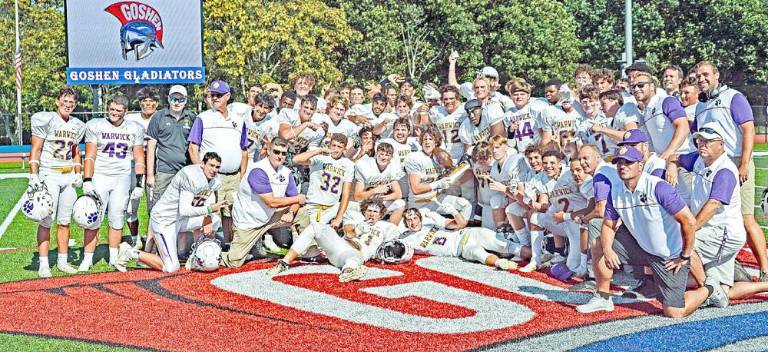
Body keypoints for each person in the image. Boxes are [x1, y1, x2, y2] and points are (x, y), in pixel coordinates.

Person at [576, 146, 709, 318]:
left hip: (669, 256)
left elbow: (689, 221)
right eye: (619, 163)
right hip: (640, 246)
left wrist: (684, 255)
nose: (622, 166)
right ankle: (603, 296)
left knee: (674, 312)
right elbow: (608, 225)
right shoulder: (616, 190)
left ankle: (709, 288)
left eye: (628, 162)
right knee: (599, 242)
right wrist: (608, 250)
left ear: (640, 165)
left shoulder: (658, 187)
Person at [669, 123, 768, 306]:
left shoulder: (725, 171)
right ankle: (764, 285)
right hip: (715, 232)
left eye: (707, 141)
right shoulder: (698, 159)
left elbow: (713, 205)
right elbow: (674, 157)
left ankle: (707, 288)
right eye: (699, 140)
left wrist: (690, 229)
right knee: (725, 291)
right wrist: (672, 167)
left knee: (683, 245)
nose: (701, 145)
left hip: (723, 233)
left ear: (721, 144)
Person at [694, 61, 768, 281]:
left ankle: (765, 270)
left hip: (734, 161)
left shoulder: (733, 97)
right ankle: (731, 268)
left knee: (745, 218)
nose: (701, 79)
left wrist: (744, 163)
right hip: (711, 164)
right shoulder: (700, 105)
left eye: (705, 74)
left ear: (717, 75)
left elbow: (748, 129)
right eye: (697, 76)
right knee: (718, 219)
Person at [113, 152, 228, 273]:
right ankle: (130, 252)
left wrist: (208, 216)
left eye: (217, 167)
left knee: (215, 220)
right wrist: (209, 210)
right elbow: (185, 210)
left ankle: (196, 255)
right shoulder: (190, 175)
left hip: (180, 220)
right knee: (172, 267)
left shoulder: (215, 180)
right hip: (165, 220)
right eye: (211, 165)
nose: (214, 170)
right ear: (202, 163)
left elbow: (208, 201)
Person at [81, 95, 145, 272]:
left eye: (118, 110)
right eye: (112, 109)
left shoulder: (134, 128)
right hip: (100, 176)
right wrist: (87, 179)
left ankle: (114, 257)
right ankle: (87, 259)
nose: (114, 113)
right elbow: (90, 155)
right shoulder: (96, 125)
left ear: (125, 111)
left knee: (117, 217)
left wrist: (139, 183)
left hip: (122, 178)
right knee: (94, 218)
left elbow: (139, 157)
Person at [220, 137, 306, 268]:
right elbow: (271, 202)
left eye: (284, 153)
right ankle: (206, 254)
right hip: (249, 221)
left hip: (270, 217)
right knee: (234, 262)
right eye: (276, 152)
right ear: (269, 151)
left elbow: (293, 199)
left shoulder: (286, 172)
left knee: (304, 212)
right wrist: (298, 199)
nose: (280, 156)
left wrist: (291, 211)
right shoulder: (258, 170)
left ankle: (310, 252)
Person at [28, 87, 86, 277]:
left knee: (64, 221)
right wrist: (34, 175)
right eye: (65, 100)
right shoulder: (46, 120)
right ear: (57, 101)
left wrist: (79, 172)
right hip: (50, 174)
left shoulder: (77, 125)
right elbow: (36, 149)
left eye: (71, 102)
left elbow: (76, 152)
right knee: (46, 219)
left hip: (68, 176)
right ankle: (43, 264)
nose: (68, 105)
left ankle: (62, 261)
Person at [267, 199, 401, 282]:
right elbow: (348, 232)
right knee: (316, 227)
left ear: (381, 214)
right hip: (340, 246)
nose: (372, 214)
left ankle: (348, 271)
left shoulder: (387, 227)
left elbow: (397, 247)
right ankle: (284, 263)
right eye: (369, 210)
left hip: (358, 254)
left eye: (375, 212)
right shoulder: (356, 218)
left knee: (354, 256)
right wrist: (358, 229)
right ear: (364, 211)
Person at [187, 80, 249, 245]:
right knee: (210, 212)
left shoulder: (239, 120)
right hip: (213, 175)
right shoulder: (203, 118)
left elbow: (244, 150)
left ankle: (229, 245)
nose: (215, 98)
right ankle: (207, 247)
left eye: (219, 95)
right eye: (212, 95)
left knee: (232, 212)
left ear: (227, 96)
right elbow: (193, 147)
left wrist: (242, 174)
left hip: (234, 176)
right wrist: (201, 170)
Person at [400, 207, 524, 270]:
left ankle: (536, 257)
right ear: (405, 223)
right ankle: (500, 263)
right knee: (478, 254)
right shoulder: (408, 240)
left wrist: (454, 212)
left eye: (415, 218)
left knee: (504, 245)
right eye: (409, 220)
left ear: (420, 218)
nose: (413, 222)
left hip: (466, 234)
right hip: (461, 249)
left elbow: (460, 224)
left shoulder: (432, 221)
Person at [404, 125, 473, 224]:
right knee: (430, 227)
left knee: (466, 205)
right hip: (419, 203)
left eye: (430, 139)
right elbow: (416, 189)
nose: (427, 141)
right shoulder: (414, 157)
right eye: (425, 139)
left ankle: (461, 228)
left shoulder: (439, 156)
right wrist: (438, 184)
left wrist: (460, 168)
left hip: (436, 199)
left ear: (436, 142)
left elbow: (453, 173)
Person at [146, 85, 196, 211]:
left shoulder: (192, 118)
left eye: (181, 99)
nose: (177, 103)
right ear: (168, 99)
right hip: (164, 172)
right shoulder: (158, 117)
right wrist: (150, 175)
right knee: (158, 209)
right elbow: (151, 148)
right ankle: (155, 231)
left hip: (185, 171)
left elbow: (196, 146)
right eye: (174, 99)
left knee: (183, 209)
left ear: (185, 100)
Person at [293, 133, 355, 229]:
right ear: (329, 145)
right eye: (333, 145)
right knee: (312, 232)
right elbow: (296, 160)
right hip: (314, 204)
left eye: (339, 147)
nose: (335, 149)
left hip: (331, 207)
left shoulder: (349, 164)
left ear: (344, 149)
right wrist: (320, 150)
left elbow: (346, 193)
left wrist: (339, 217)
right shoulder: (320, 158)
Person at [630, 71, 694, 161]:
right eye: (633, 86)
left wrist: (668, 152)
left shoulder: (667, 101)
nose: (636, 89)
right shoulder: (645, 112)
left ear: (652, 86)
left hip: (682, 157)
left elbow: (683, 127)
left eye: (641, 85)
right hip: (662, 160)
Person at [124, 87, 159, 245]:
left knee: (155, 206)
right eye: (145, 101)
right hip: (135, 165)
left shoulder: (161, 117)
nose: (148, 104)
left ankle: (154, 239)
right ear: (139, 103)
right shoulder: (130, 119)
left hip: (155, 166)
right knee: (131, 206)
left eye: (151, 101)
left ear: (157, 103)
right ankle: (134, 239)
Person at [351, 142, 406, 225]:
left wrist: (382, 198)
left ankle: (389, 230)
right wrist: (375, 190)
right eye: (381, 154)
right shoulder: (365, 165)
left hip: (378, 201)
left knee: (400, 203)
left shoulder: (393, 167)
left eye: (387, 155)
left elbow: (398, 194)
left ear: (391, 157)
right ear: (376, 154)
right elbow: (358, 197)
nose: (383, 157)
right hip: (363, 202)